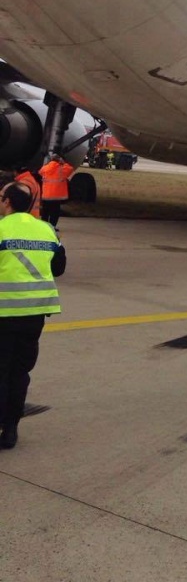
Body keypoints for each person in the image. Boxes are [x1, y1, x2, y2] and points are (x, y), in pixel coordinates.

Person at [0, 182, 63, 449]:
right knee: (19, 371)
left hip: (4, 311)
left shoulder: (1, 228)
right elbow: (58, 267)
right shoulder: (47, 229)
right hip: (35, 314)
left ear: (8, 202)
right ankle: (11, 428)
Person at [39, 154, 75, 227]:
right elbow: (70, 169)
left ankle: (44, 226)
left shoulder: (45, 168)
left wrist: (47, 164)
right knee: (54, 213)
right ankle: (52, 226)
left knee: (45, 212)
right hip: (56, 196)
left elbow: (40, 172)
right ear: (59, 160)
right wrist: (63, 162)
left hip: (46, 195)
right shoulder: (62, 169)